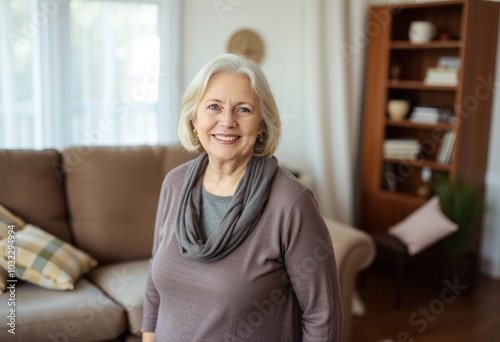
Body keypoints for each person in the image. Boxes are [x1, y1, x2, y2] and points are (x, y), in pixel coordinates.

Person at [141, 53, 342, 342]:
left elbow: (322, 315)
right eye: (213, 106)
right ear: (194, 118)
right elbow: (154, 277)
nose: (227, 121)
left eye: (244, 110)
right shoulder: (175, 183)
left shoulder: (291, 203)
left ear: (261, 125)